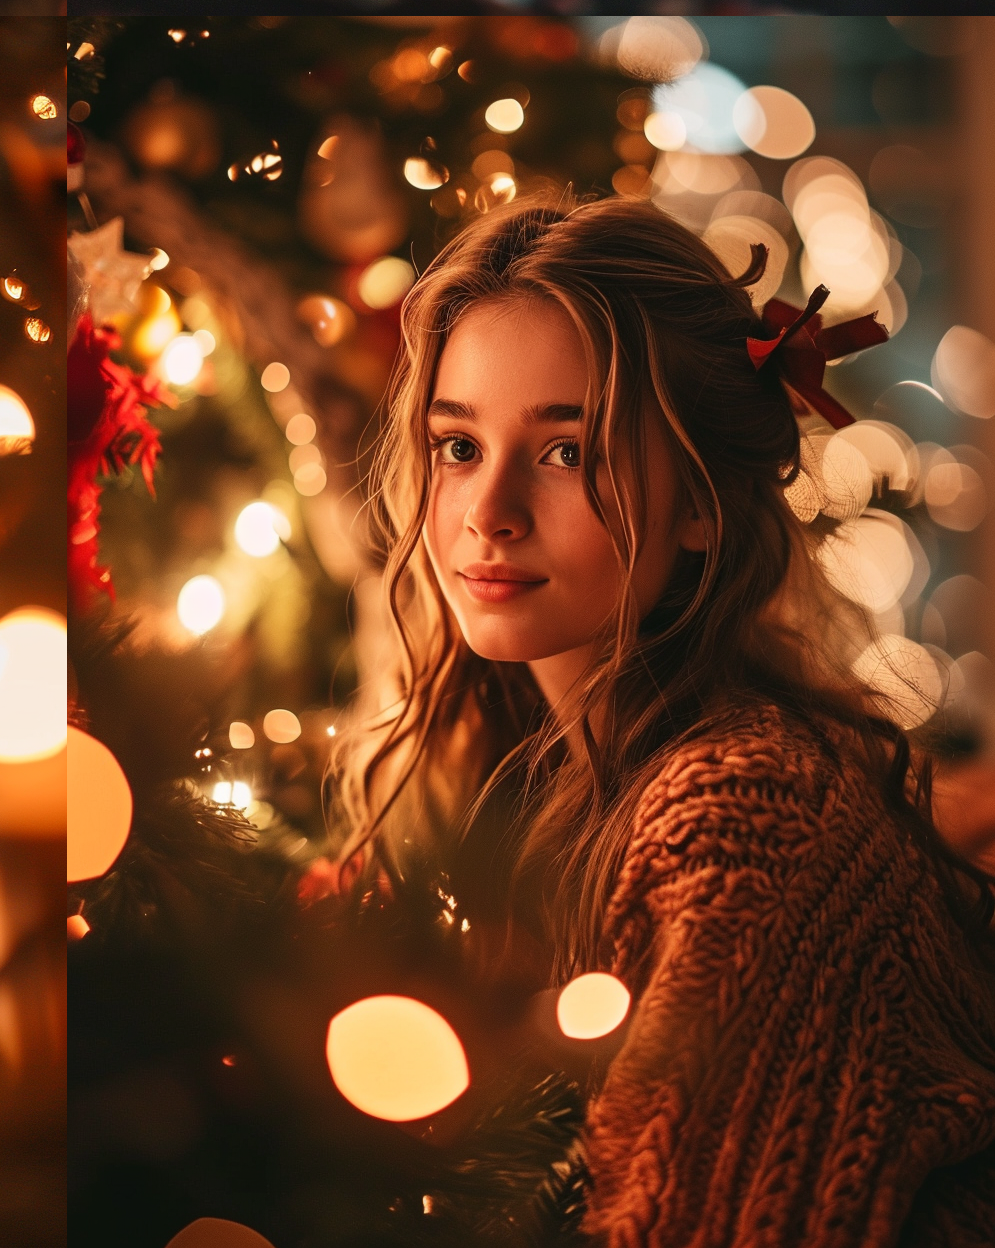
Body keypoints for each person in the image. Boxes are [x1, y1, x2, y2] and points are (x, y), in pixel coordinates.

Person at [319, 196, 995, 1245]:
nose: (485, 509)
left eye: (563, 450)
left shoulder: (743, 812)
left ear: (698, 502)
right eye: (455, 445)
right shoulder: (522, 778)